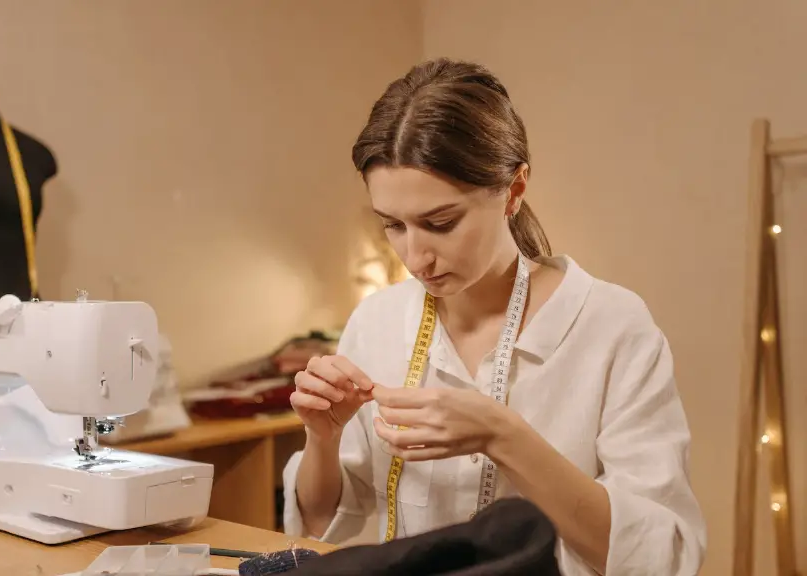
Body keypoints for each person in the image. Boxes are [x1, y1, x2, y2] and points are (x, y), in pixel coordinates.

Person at [281, 58, 707, 576]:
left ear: (514, 190)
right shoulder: (378, 321)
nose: (415, 258)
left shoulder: (611, 325)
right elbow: (322, 522)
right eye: (392, 225)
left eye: (441, 222)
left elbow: (661, 559)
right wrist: (321, 440)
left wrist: (503, 435)